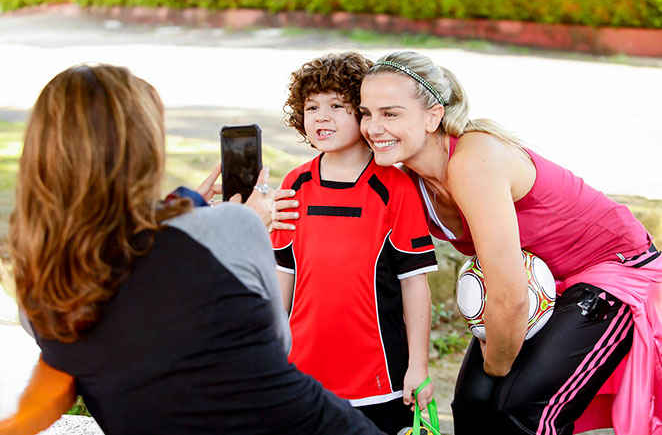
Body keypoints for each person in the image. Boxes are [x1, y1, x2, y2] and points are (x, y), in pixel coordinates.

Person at [9, 63, 387, 435]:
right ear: (145, 149)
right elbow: (275, 344)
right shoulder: (228, 230)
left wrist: (185, 208)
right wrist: (246, 225)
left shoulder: (41, 285)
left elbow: (126, 257)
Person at [356, 50, 662, 435]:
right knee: (472, 404)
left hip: (611, 270)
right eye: (367, 113)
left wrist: (498, 364)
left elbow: (511, 297)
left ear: (434, 115)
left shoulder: (473, 159)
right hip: (540, 284)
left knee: (524, 408)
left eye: (391, 113)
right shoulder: (412, 183)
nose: (373, 127)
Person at [271, 52, 439, 435]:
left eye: (336, 105)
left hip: (378, 379)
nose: (321, 116)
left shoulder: (395, 188)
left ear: (363, 117)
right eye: (311, 107)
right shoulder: (294, 185)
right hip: (302, 374)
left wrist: (419, 366)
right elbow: (284, 275)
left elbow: (415, 285)